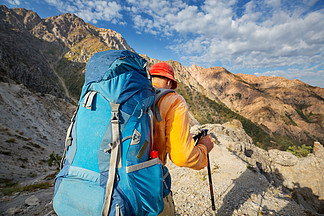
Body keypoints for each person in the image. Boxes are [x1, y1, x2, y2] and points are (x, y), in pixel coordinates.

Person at [149, 62, 214, 216]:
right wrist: (204, 148)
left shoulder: (129, 94)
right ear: (170, 82)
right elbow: (182, 157)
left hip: (109, 182)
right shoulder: (173, 100)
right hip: (149, 183)